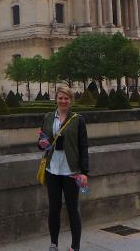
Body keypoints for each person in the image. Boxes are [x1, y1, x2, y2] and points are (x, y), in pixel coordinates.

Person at [38, 86, 89, 251]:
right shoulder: (47, 118)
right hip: (52, 169)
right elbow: (43, 141)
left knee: (73, 209)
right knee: (54, 209)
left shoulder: (77, 119)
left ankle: (75, 247)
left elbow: (83, 147)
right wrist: (41, 143)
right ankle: (54, 243)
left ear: (71, 100)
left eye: (66, 98)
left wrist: (84, 172)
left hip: (71, 171)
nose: (63, 101)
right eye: (60, 98)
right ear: (56, 99)